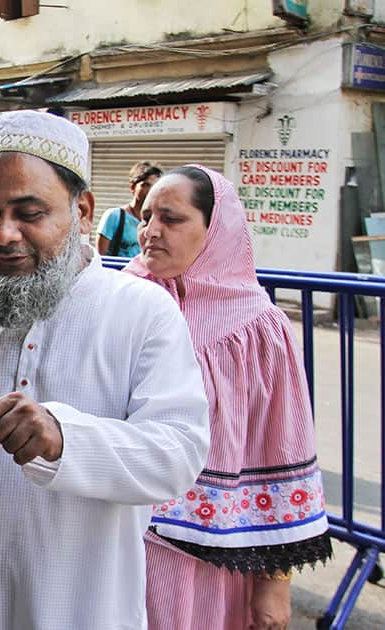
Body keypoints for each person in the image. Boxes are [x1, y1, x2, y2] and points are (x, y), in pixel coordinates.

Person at [0, 110, 211, 630]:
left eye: (29, 213)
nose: (1, 234)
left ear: (82, 211)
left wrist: (64, 438)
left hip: (82, 606)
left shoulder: (143, 312)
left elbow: (179, 452)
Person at [125, 165, 332, 630]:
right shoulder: (120, 302)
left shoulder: (256, 328)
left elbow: (282, 448)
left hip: (207, 558)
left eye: (172, 219)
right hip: (113, 539)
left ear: (216, 230)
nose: (151, 231)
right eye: (146, 216)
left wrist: (275, 582)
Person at [96, 160, 162, 257]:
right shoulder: (114, 216)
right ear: (132, 187)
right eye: (145, 185)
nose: (149, 191)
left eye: (154, 187)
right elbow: (100, 257)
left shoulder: (157, 220)